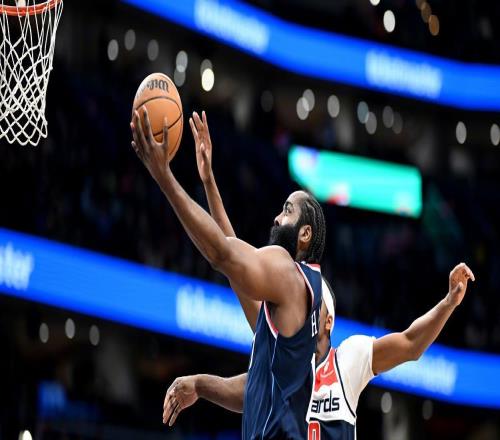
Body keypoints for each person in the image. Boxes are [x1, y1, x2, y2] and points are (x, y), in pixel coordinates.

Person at [160, 112, 475, 439]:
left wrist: (448, 303)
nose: (307, 305)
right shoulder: (283, 353)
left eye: (315, 304)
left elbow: (410, 343)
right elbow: (235, 263)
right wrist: (209, 182)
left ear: (327, 321)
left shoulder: (347, 361)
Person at [131, 108, 328, 439]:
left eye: (287, 211)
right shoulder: (299, 298)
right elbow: (256, 387)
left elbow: (222, 254)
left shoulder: (287, 269)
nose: (277, 218)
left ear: (305, 234)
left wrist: (164, 178)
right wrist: (209, 182)